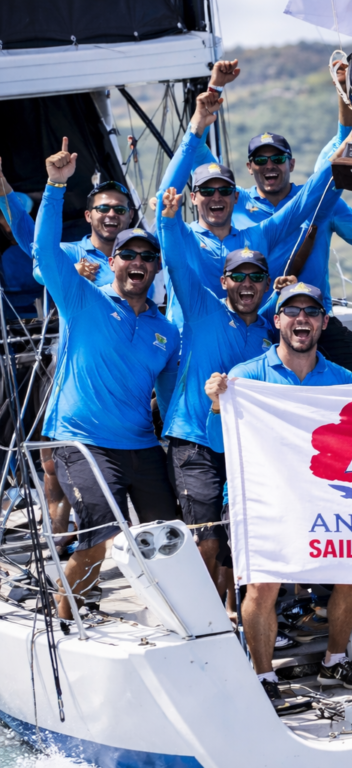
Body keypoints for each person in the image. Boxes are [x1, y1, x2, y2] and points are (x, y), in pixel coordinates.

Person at [160, 60, 352, 379]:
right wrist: (211, 94)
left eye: (278, 158)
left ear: (291, 163)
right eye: (261, 159)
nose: (217, 198)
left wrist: (350, 128)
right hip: (222, 328)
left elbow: (317, 189)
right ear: (249, 168)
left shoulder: (266, 229)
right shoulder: (206, 219)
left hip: (294, 318)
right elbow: (187, 170)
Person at [205, 282, 352, 702]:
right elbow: (216, 442)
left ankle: (334, 663)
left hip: (322, 499)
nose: (302, 318)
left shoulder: (344, 380)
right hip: (260, 497)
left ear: (323, 322)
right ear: (277, 320)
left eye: (312, 312)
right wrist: (216, 405)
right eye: (292, 311)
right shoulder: (245, 377)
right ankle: (264, 678)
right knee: (262, 586)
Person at [34, 141, 179, 622]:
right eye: (127, 255)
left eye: (147, 257)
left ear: (155, 267)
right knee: (101, 540)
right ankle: (64, 620)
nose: (137, 263)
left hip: (140, 446)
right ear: (111, 261)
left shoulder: (167, 330)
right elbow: (43, 252)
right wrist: (56, 186)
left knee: (171, 539)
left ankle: (180, 620)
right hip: (84, 441)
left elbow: (171, 395)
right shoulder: (83, 300)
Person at [157, 186, 295, 584]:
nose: (247, 284)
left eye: (256, 277)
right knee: (207, 542)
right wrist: (168, 220)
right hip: (194, 441)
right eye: (238, 276)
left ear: (266, 284)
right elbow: (178, 265)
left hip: (241, 446)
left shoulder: (270, 329)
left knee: (240, 544)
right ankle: (202, 628)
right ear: (224, 281)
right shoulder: (203, 309)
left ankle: (231, 624)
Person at [0, 157, 136, 289]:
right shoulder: (69, 253)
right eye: (103, 209)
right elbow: (42, 261)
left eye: (119, 210)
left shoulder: (146, 251)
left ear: (130, 215)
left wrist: (158, 203)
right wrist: (69, 272)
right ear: (88, 216)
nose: (111, 214)